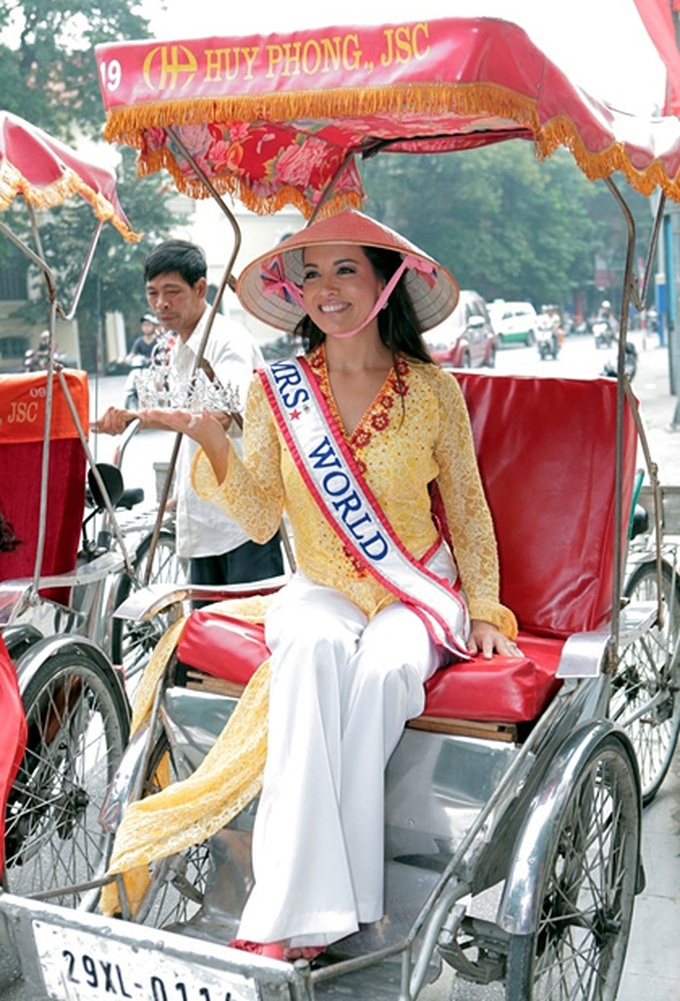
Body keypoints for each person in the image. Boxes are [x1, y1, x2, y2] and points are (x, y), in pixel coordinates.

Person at [133, 210, 519, 962]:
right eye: (311, 273)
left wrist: (486, 607)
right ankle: (298, 915)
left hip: (411, 592)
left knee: (381, 671)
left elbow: (468, 513)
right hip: (316, 587)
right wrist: (212, 441)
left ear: (385, 282)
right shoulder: (276, 390)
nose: (327, 288)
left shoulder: (432, 392)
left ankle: (332, 910)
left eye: (346, 269)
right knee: (308, 653)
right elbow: (257, 518)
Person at [95, 239, 284, 587]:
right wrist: (183, 497)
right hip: (203, 518)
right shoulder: (178, 347)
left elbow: (218, 418)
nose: (161, 304)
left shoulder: (228, 341)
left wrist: (140, 418)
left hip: (244, 520)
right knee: (203, 628)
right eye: (152, 293)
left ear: (200, 288)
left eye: (172, 291)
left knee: (247, 631)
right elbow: (194, 435)